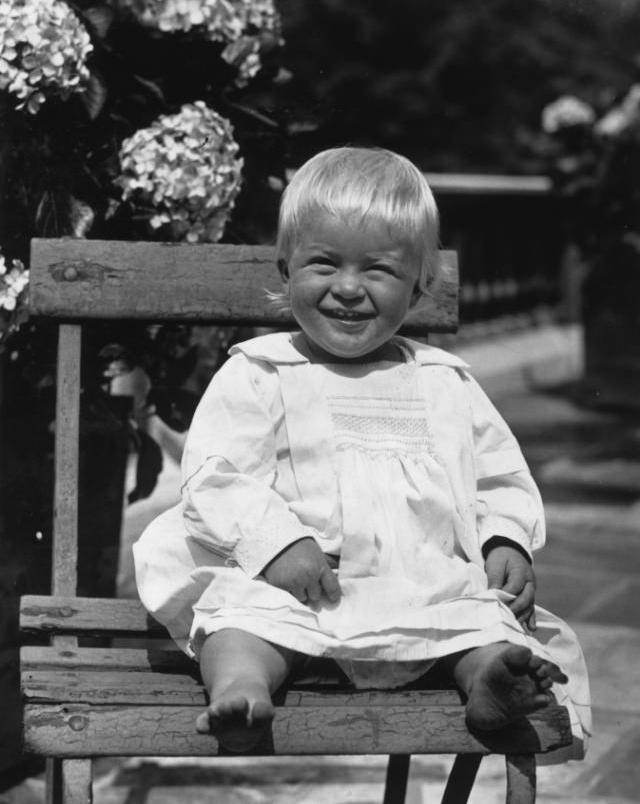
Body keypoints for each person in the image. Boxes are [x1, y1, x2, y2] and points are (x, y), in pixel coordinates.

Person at [134, 146, 591, 758]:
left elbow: (498, 476)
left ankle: (488, 679)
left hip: (424, 588)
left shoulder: (444, 381)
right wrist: (275, 543)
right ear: (285, 266)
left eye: (377, 270)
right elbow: (216, 476)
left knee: (479, 623)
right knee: (238, 619)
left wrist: (503, 538)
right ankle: (241, 685)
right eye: (324, 263)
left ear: (421, 282)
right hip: (295, 591)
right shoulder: (262, 372)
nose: (347, 289)